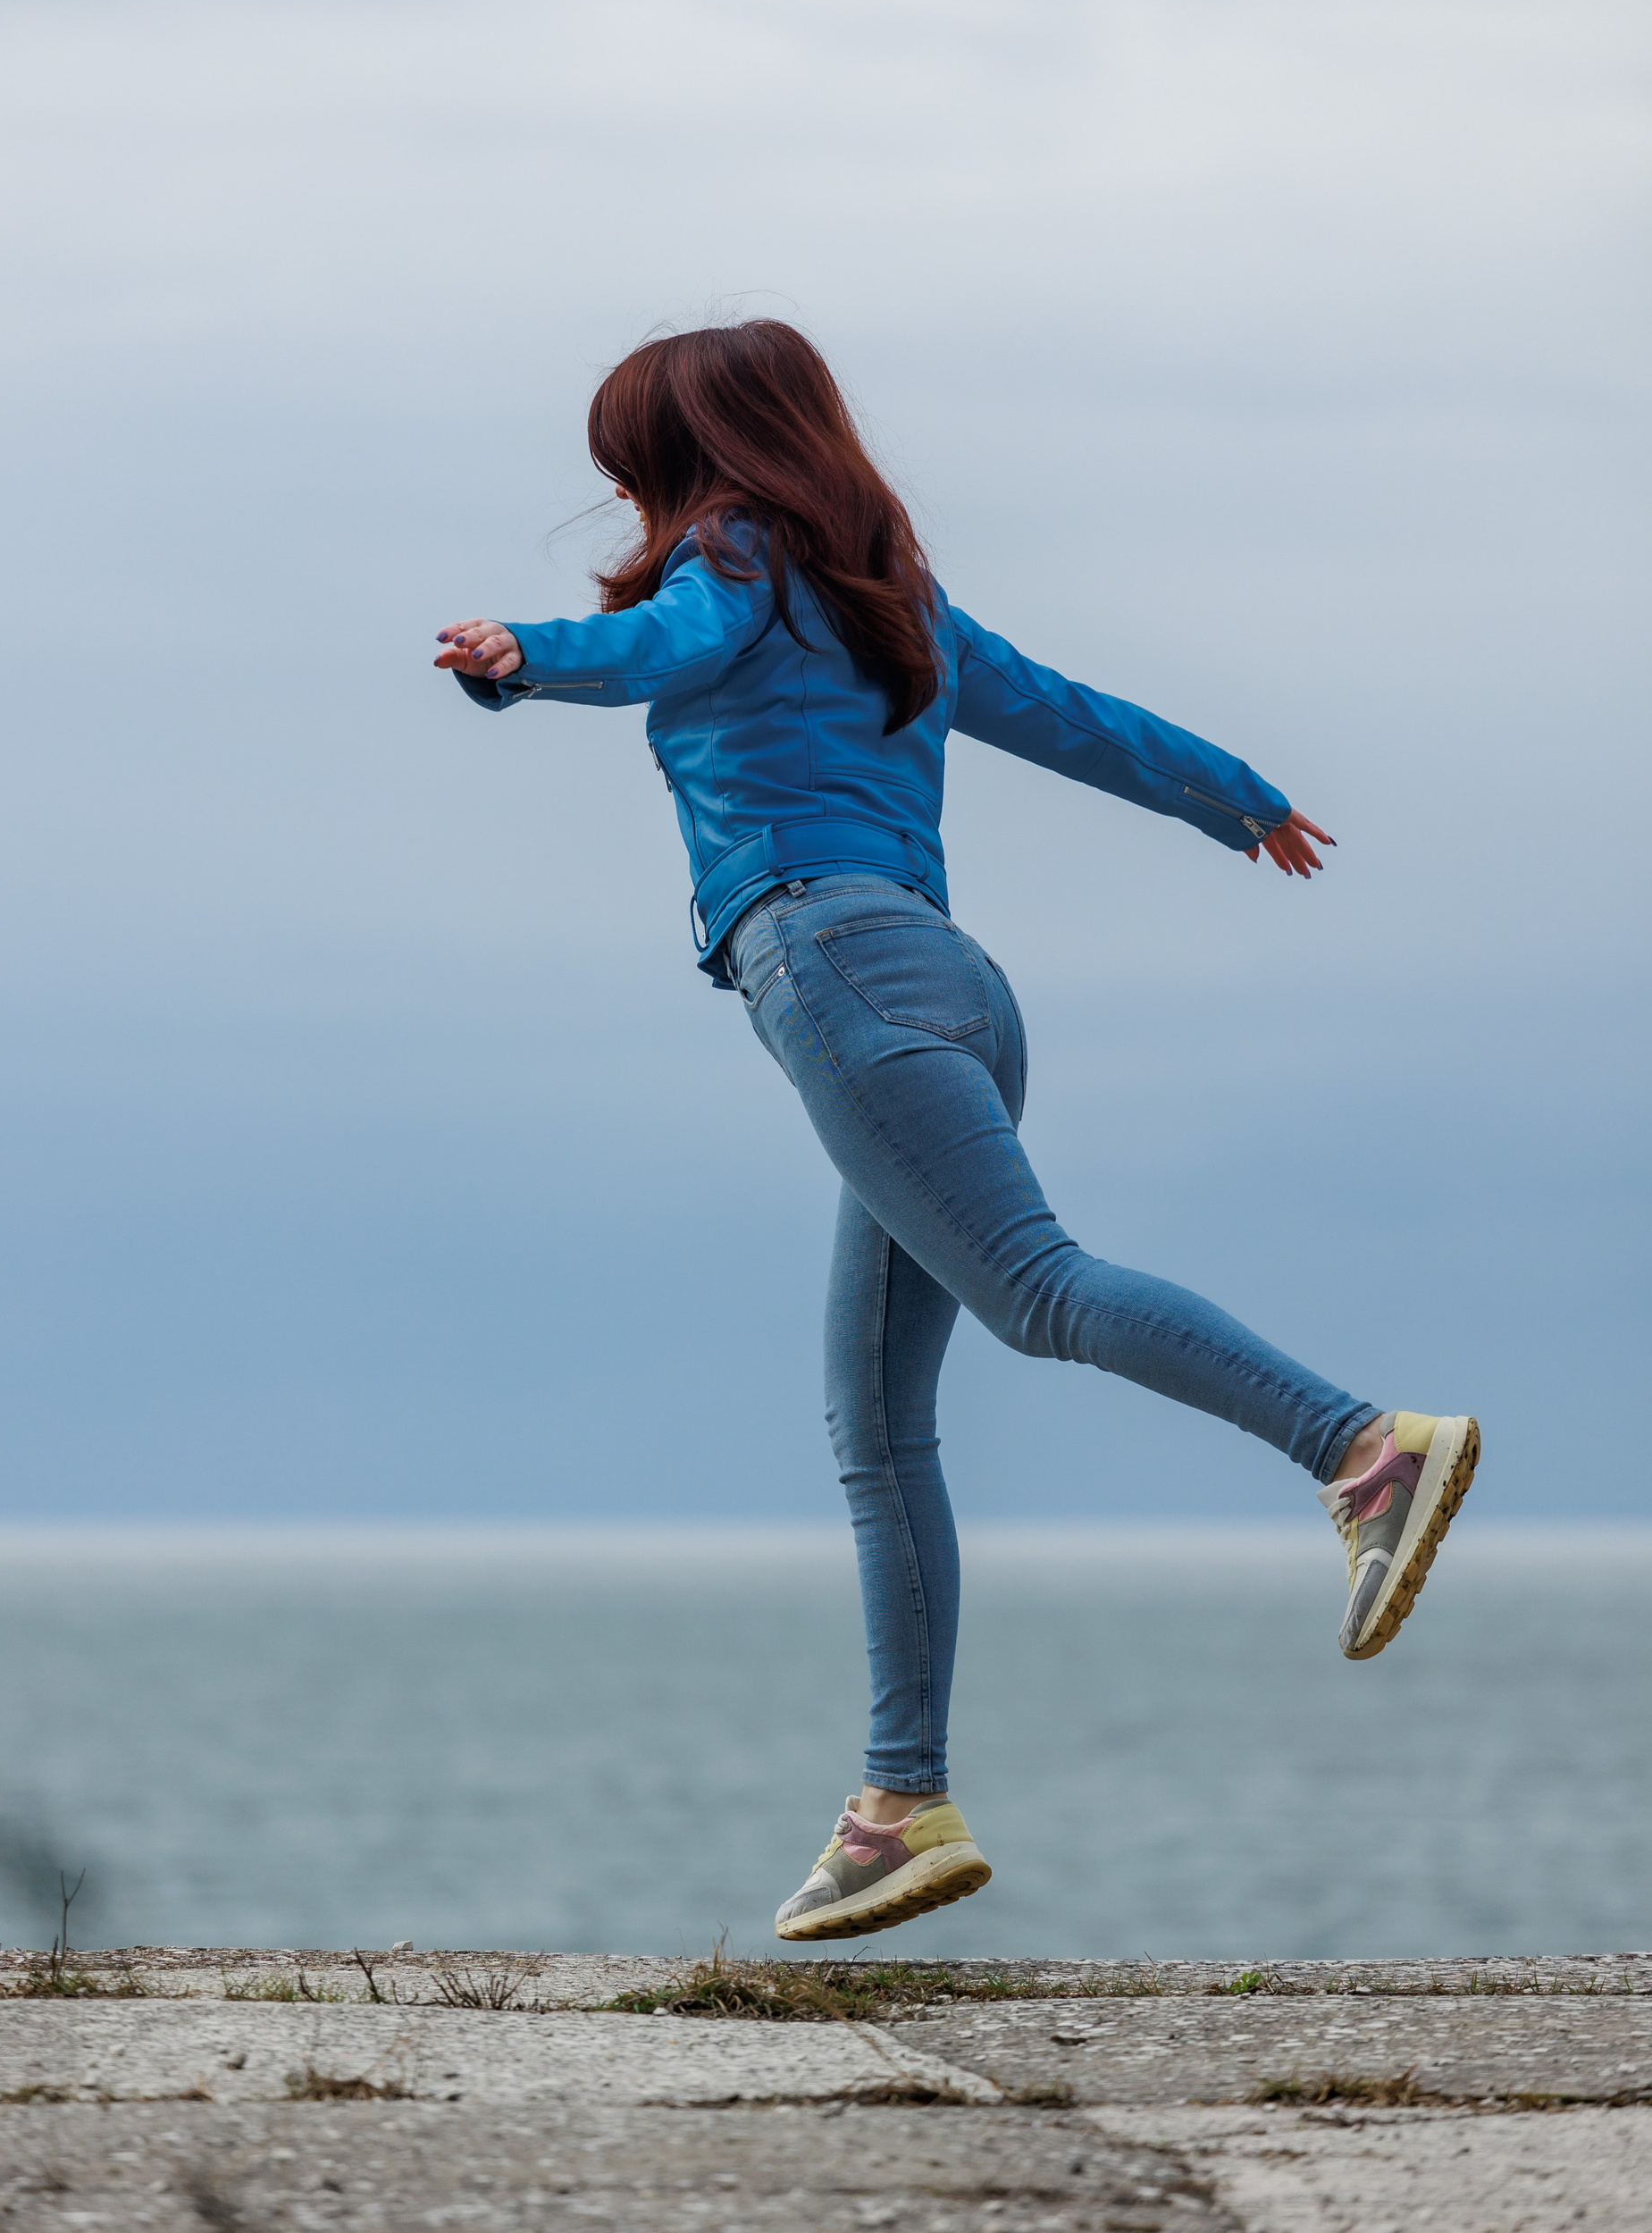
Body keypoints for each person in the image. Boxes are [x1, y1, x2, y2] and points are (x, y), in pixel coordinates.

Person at [435, 320, 1480, 1945]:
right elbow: (1069, 714)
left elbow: (655, 643)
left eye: (636, 462)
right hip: (950, 986)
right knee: (874, 1420)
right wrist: (1236, 794)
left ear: (699, 454)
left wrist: (525, 654)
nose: (633, 494)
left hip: (836, 967)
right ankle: (898, 1812)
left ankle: (1359, 1447)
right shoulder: (889, 590)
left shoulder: (735, 554)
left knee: (1037, 1290)